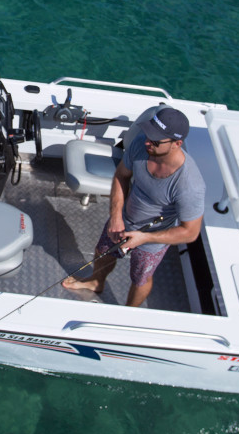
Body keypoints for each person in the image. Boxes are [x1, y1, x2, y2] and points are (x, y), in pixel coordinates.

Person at [63, 106, 205, 307]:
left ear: (177, 144)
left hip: (151, 239)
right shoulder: (142, 145)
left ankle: (130, 311)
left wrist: (145, 237)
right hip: (123, 220)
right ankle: (96, 282)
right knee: (102, 252)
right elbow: (121, 176)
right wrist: (115, 217)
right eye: (148, 134)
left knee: (141, 278)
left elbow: (190, 233)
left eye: (155, 140)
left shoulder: (189, 185)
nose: (147, 141)